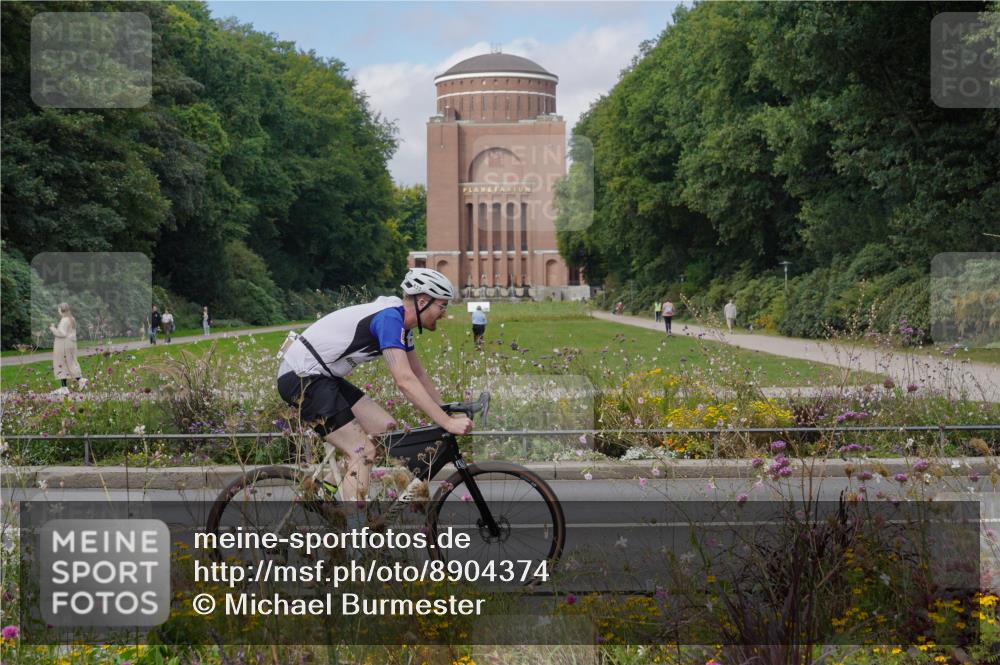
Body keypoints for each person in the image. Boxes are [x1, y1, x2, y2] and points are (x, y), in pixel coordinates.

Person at [276, 268, 473, 502]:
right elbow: (404, 380)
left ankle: (323, 490)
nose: (444, 313)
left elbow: (417, 374)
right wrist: (447, 423)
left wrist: (444, 408)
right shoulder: (389, 319)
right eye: (442, 306)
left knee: (385, 428)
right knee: (362, 452)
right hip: (301, 377)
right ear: (422, 301)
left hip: (322, 376)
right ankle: (355, 532)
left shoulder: (401, 324)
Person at [50, 303, 85, 394]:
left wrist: (53, 329)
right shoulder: (71, 319)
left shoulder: (64, 320)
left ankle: (66, 386)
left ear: (61, 310)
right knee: (71, 362)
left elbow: (62, 333)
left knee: (61, 363)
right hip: (71, 344)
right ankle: (70, 384)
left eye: (58, 309)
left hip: (64, 345)